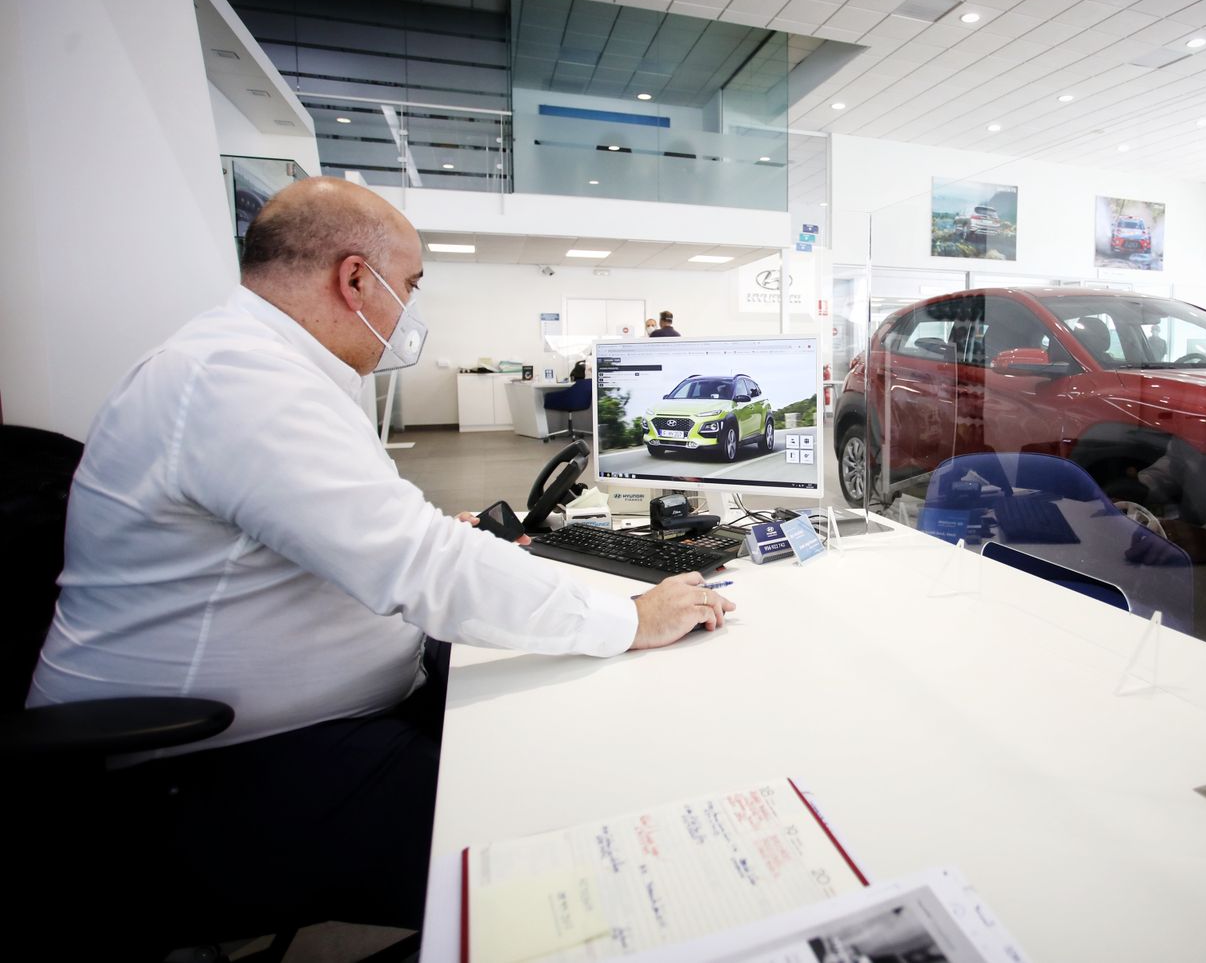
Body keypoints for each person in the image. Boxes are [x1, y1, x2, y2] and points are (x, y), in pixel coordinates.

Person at [26, 177, 733, 943]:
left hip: (300, 721)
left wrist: (443, 536)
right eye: (411, 285)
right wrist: (629, 615)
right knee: (564, 849)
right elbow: (420, 564)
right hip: (203, 769)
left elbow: (364, 527)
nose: (411, 308)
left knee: (558, 718)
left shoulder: (254, 362)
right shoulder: (238, 380)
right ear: (355, 278)